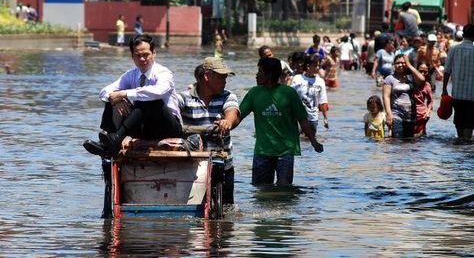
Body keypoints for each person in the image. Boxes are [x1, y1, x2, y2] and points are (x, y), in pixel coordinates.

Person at [83, 34, 182, 157]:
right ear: (132, 57)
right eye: (138, 55)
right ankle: (108, 140)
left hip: (168, 126)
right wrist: (116, 98)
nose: (142, 59)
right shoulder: (131, 74)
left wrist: (125, 93)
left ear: (154, 53)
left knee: (146, 98)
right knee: (112, 97)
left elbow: (158, 92)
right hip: (144, 127)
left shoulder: (164, 73)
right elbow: (104, 91)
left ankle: (117, 138)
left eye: (145, 55)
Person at [238, 57, 324, 186]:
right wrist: (225, 125)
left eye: (260, 72)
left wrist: (313, 141)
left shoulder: (289, 94)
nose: (257, 75)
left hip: (285, 151)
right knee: (261, 190)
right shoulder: (253, 93)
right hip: (262, 151)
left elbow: (302, 119)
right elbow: (238, 116)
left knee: (284, 189)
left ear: (270, 75)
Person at [178, 57, 239, 204]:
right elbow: (171, 111)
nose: (225, 82)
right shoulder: (184, 97)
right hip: (194, 167)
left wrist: (227, 122)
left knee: (226, 210)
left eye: (225, 78)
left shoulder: (227, 96)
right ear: (207, 76)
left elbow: (232, 111)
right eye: (221, 77)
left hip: (223, 165)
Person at [442, 24, 474, 143]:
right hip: (472, 95)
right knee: (469, 123)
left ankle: (459, 145)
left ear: (463, 35)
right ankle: (465, 144)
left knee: (459, 120)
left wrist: (444, 89)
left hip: (457, 94)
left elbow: (446, 71)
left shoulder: (454, 49)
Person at [383, 54, 425, 138]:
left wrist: (409, 65)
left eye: (403, 63)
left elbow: (422, 79)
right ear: (394, 65)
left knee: (409, 142)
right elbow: (386, 97)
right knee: (398, 141)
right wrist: (389, 113)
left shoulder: (411, 78)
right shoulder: (389, 79)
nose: (400, 65)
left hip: (411, 115)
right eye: (398, 63)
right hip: (396, 114)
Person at [291, 54, 329, 136]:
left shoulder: (320, 82)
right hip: (298, 117)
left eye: (319, 65)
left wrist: (325, 118)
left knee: (310, 142)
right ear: (308, 66)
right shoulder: (297, 79)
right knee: (298, 139)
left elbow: (322, 101)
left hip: (313, 118)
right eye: (315, 65)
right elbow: (289, 97)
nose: (318, 68)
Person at [413, 62, 433, 137]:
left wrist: (428, 112)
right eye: (420, 71)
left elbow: (430, 101)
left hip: (422, 115)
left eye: (425, 72)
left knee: (419, 138)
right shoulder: (411, 82)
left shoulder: (427, 85)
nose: (422, 73)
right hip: (409, 115)